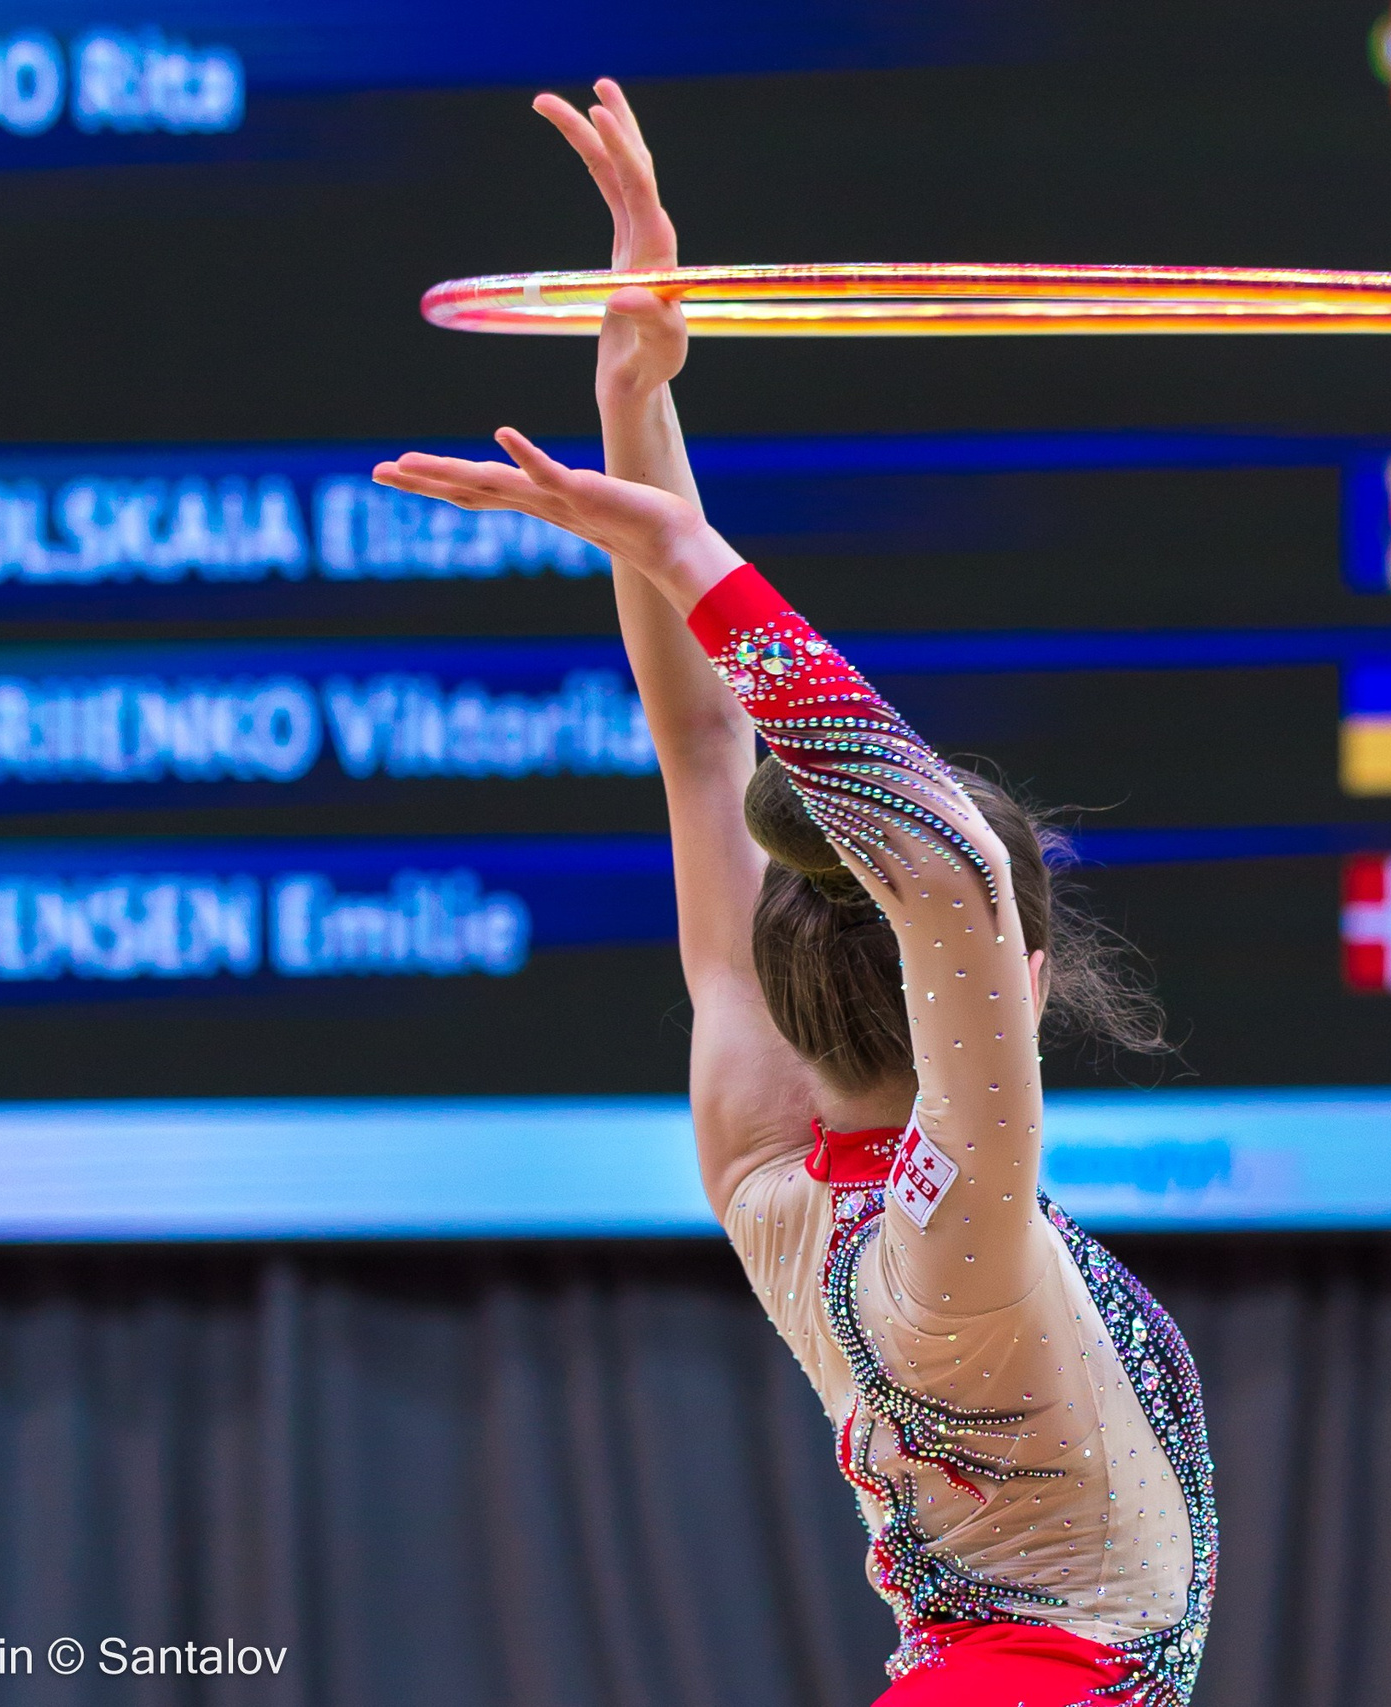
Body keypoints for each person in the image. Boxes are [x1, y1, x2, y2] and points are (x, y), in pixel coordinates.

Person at [373, 81, 1216, 1707]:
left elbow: (703, 759)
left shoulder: (776, 1183)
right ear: (1012, 976)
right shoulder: (952, 1235)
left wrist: (640, 412)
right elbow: (946, 876)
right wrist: (686, 557)